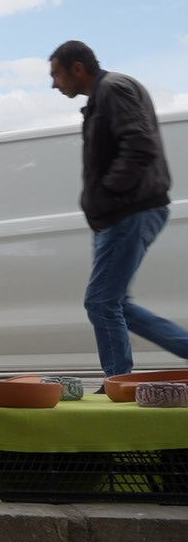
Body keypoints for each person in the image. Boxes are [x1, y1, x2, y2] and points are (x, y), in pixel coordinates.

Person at [48, 40, 188, 380]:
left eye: (56, 74)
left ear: (77, 68)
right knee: (114, 303)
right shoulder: (104, 96)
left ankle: (117, 381)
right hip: (122, 213)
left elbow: (140, 145)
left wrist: (109, 193)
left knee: (100, 302)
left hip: (129, 211)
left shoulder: (114, 89)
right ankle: (123, 377)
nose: (54, 83)